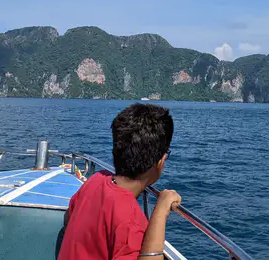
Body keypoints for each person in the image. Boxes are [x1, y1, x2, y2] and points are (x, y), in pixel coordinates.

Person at [56, 103, 181, 260]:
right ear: (160, 162)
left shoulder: (96, 180)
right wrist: (161, 211)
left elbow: (68, 218)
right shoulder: (131, 222)